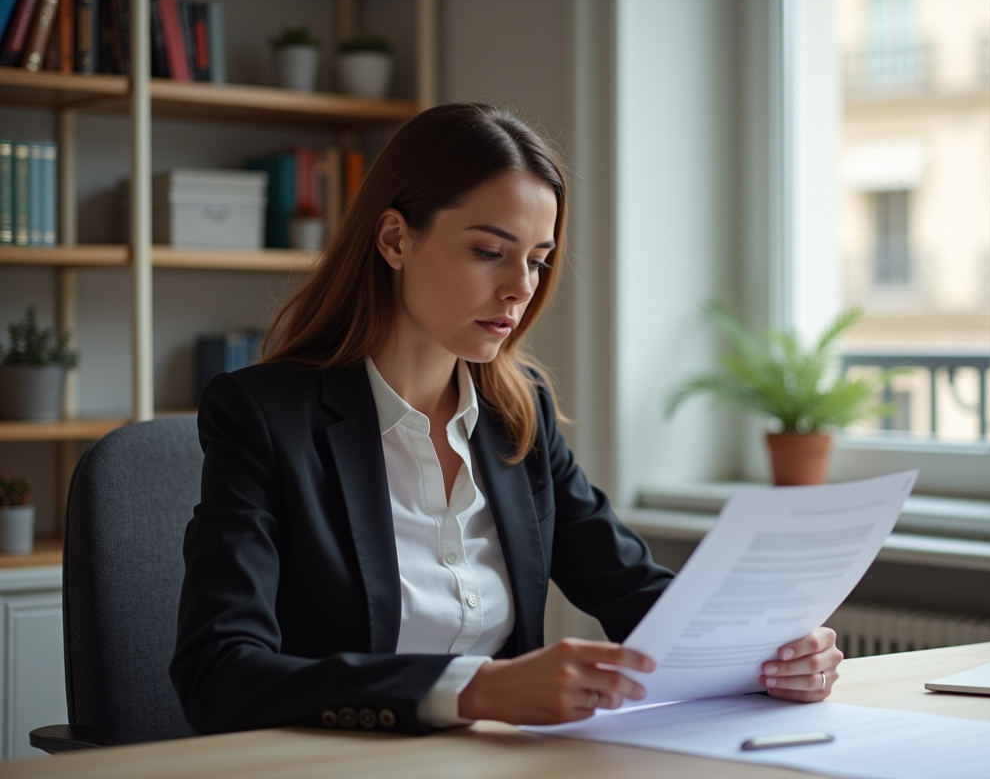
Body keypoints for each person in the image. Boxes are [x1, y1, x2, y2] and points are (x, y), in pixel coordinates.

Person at [170, 102, 843, 736]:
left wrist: (770, 651)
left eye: (538, 260)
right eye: (489, 252)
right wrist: (473, 691)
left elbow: (633, 590)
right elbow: (219, 674)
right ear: (396, 239)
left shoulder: (518, 414)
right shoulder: (263, 416)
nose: (521, 287)